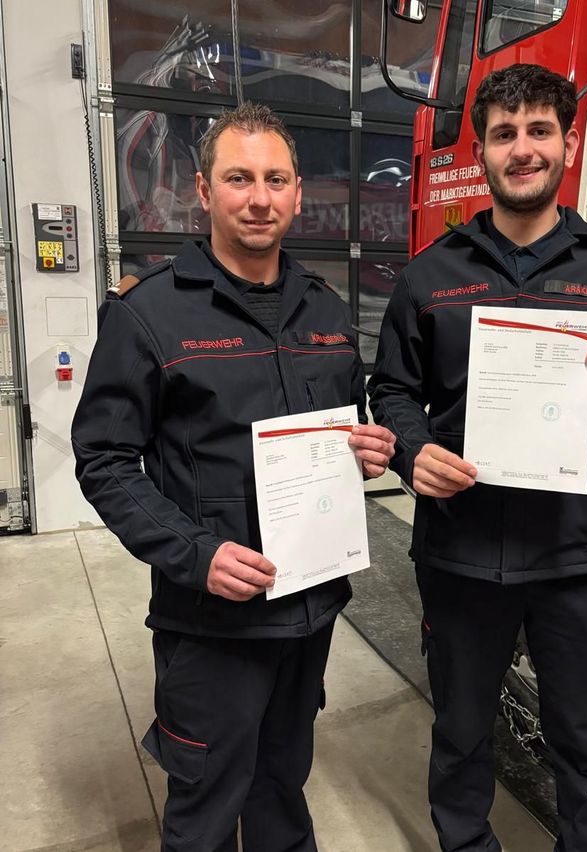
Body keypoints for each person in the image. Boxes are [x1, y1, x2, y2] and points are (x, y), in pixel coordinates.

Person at [367, 64, 587, 852]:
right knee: (459, 733)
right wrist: (413, 452)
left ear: (569, 142)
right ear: (482, 153)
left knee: (585, 748)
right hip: (461, 555)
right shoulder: (429, 276)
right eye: (504, 134)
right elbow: (390, 391)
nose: (522, 150)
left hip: (576, 562)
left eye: (539, 131)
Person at [71, 102, 395, 852]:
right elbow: (106, 462)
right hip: (211, 624)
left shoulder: (327, 311)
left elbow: (345, 428)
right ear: (203, 189)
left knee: (282, 791)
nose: (259, 197)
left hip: (308, 611)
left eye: (275, 179)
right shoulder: (149, 315)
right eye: (239, 178)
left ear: (297, 191)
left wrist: (366, 449)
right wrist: (198, 555)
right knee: (207, 808)